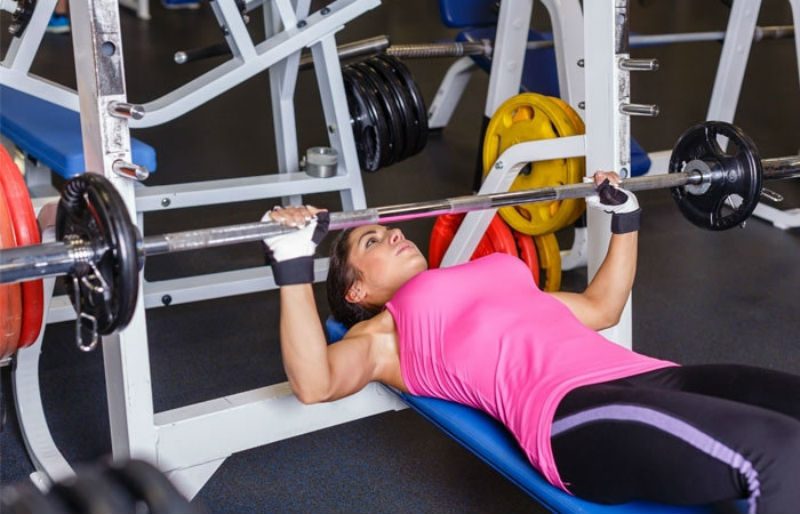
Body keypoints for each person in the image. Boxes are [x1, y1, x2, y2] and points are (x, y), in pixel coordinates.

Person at [263, 172, 800, 513]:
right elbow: (315, 382)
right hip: (576, 413)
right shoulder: (385, 334)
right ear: (358, 289)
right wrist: (293, 267)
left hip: (651, 374)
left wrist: (625, 220)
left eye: (389, 229)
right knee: (779, 454)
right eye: (372, 241)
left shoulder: (494, 279)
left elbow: (600, 308)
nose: (396, 234)